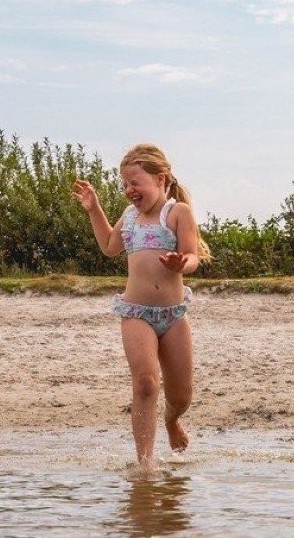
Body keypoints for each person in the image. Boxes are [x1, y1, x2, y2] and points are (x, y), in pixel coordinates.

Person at [74, 143, 209, 473]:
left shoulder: (177, 213)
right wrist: (94, 208)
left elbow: (192, 256)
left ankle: (172, 420)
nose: (129, 191)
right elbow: (109, 246)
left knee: (182, 396)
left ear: (160, 179)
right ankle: (145, 463)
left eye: (135, 183)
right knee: (146, 383)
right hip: (136, 313)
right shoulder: (130, 216)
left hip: (174, 316)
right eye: (124, 184)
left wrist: (181, 263)